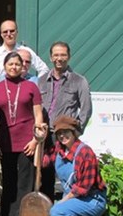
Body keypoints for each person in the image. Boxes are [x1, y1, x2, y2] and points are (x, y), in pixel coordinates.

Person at [35, 115, 106, 216]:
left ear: (74, 132)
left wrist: (63, 201)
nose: (62, 136)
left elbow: (83, 188)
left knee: (57, 212)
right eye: (59, 133)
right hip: (74, 198)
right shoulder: (59, 149)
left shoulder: (85, 153)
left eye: (66, 132)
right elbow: (43, 162)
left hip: (92, 199)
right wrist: (40, 141)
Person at [0, 52, 45, 216]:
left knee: (25, 183)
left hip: (27, 143)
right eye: (11, 64)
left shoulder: (31, 87)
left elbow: (38, 116)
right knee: (8, 182)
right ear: (5, 66)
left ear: (23, 66)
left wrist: (35, 141)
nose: (14, 67)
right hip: (6, 142)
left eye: (17, 64)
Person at [39, 41, 92, 200]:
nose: (59, 58)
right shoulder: (41, 81)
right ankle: (47, 215)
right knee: (45, 175)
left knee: (67, 175)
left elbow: (86, 109)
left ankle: (67, 212)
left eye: (63, 55)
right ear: (50, 57)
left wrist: (75, 132)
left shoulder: (78, 81)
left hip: (66, 137)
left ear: (68, 57)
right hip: (45, 135)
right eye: (56, 55)